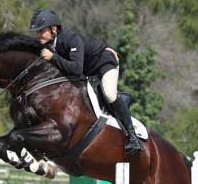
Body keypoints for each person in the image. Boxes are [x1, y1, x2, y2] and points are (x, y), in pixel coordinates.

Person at [29, 9, 143, 157]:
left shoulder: (70, 39)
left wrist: (52, 58)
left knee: (109, 94)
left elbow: (76, 69)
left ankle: (132, 136)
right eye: (36, 32)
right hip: (87, 71)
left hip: (104, 63)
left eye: (41, 31)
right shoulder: (47, 44)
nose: (38, 36)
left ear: (54, 29)